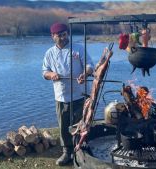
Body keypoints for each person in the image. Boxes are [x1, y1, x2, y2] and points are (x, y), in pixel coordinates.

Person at [42, 22, 94, 166]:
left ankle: (81, 149)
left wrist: (85, 73)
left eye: (65, 34)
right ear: (53, 36)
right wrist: (51, 74)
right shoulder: (49, 53)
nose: (63, 38)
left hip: (80, 94)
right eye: (60, 35)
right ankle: (67, 152)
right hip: (61, 96)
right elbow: (44, 72)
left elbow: (90, 65)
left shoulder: (78, 48)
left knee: (81, 125)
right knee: (64, 126)